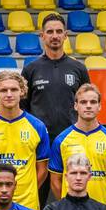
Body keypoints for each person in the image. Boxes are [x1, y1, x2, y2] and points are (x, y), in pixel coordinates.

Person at [0, 70, 50, 210]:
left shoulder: (37, 126)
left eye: (13, 89)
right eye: (3, 90)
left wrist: (27, 190)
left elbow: (42, 170)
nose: (8, 94)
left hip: (27, 203)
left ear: (22, 91)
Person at [48, 82, 106, 209]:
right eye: (83, 102)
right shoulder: (61, 140)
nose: (88, 106)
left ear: (99, 106)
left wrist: (103, 201)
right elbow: (55, 182)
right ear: (76, 106)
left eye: (93, 102)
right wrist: (67, 204)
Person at [22, 13, 89, 141]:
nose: (54, 36)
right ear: (42, 36)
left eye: (59, 31)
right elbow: (23, 107)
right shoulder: (30, 69)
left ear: (65, 35)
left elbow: (86, 103)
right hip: (39, 138)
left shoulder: (79, 68)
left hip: (72, 138)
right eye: (50, 32)